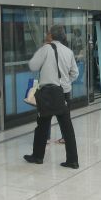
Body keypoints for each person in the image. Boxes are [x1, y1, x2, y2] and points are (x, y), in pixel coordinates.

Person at [24, 25, 79, 169]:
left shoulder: (46, 49)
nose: (46, 35)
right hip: (64, 93)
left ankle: (37, 156)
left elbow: (33, 66)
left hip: (48, 94)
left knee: (42, 126)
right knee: (67, 128)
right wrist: (65, 83)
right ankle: (73, 160)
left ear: (51, 36)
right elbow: (75, 73)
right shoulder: (69, 51)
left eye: (47, 33)